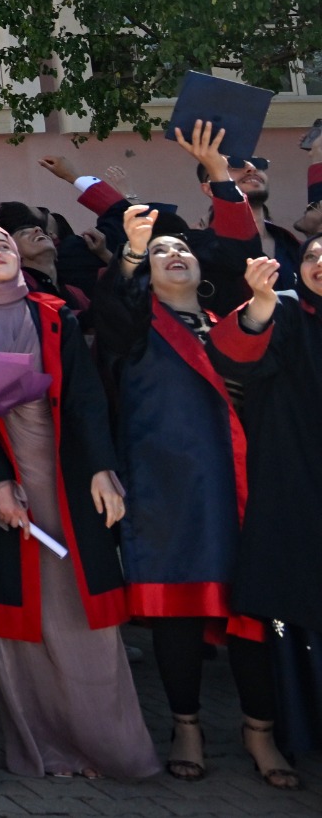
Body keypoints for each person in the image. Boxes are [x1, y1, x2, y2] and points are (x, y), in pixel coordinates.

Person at [88, 124, 283, 785]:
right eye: (161, 250)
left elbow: (238, 244)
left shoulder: (234, 313)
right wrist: (134, 251)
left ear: (202, 269)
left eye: (183, 250)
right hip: (165, 492)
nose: (175, 255)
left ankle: (260, 736)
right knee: (175, 618)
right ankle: (187, 727)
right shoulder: (134, 326)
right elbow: (114, 303)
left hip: (244, 486)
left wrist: (216, 174)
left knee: (253, 612)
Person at [0, 221, 156, 779]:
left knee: (83, 615)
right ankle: (46, 751)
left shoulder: (52, 315)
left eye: (3, 245)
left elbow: (84, 400)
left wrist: (102, 468)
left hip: (63, 472)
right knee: (22, 620)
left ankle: (108, 749)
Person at [215, 238, 322, 784]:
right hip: (289, 487)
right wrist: (258, 302)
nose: (320, 266)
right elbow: (233, 354)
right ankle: (268, 733)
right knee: (283, 608)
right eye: (312, 257)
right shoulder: (281, 309)